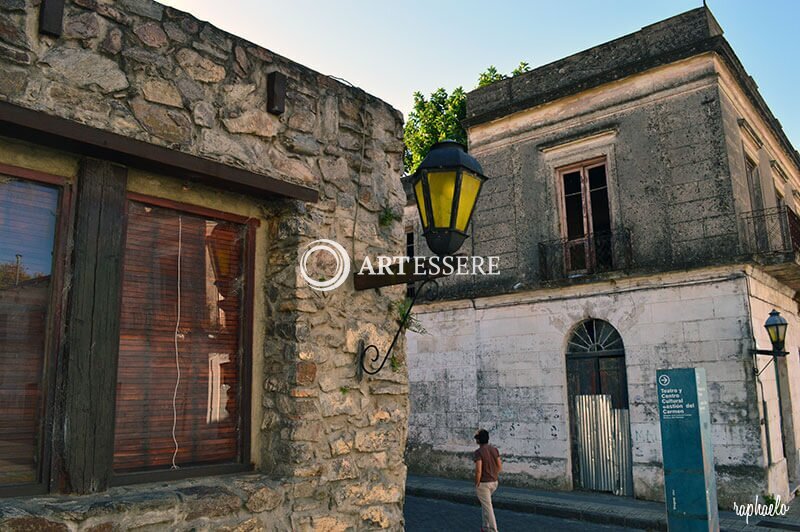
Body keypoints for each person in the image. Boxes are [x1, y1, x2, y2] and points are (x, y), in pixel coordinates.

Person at [473, 428, 501, 532]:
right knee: (485, 505)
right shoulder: (494, 450)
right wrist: (494, 475)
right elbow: (499, 466)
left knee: (488, 507)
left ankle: (493, 530)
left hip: (484, 483)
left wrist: (477, 483)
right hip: (494, 482)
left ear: (478, 440)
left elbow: (478, 470)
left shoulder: (478, 452)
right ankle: (485, 527)